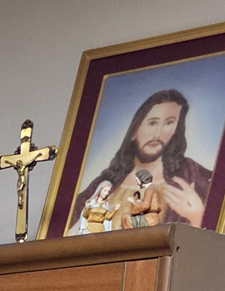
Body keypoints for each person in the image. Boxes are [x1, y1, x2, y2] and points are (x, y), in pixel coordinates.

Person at [69, 88, 214, 233]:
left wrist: (197, 216)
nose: (158, 134)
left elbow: (215, 233)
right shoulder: (108, 182)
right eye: (152, 123)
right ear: (134, 130)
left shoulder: (191, 175)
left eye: (169, 123)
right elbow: (66, 230)